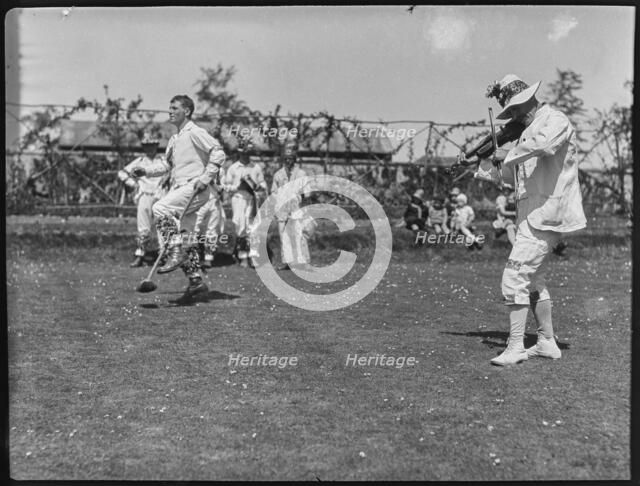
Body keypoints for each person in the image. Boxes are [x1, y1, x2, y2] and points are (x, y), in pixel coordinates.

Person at [471, 74, 586, 365]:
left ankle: (516, 347)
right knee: (533, 279)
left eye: (512, 109)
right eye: (508, 111)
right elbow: (514, 176)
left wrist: (506, 153)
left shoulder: (554, 121)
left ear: (526, 101)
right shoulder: (525, 133)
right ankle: (547, 342)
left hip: (548, 214)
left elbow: (543, 146)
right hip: (529, 215)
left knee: (515, 277)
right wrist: (486, 162)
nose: (511, 115)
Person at [133, 94, 225, 303]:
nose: (170, 111)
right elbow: (167, 166)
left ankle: (174, 249)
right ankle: (196, 282)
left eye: (175, 108)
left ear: (187, 111)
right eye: (169, 107)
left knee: (159, 209)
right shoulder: (175, 139)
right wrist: (145, 171)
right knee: (187, 240)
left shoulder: (195, 132)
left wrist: (206, 177)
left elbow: (218, 152)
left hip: (195, 187)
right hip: (183, 188)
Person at [117, 133, 169, 267]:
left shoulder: (162, 160)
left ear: (156, 146)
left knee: (162, 225)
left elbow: (173, 171)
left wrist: (168, 179)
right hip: (145, 194)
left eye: (152, 146)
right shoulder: (139, 161)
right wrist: (133, 184)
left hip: (160, 195)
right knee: (143, 227)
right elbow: (122, 173)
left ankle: (163, 255)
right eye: (147, 146)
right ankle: (140, 254)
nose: (150, 149)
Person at [222, 136, 267, 268]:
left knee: (253, 228)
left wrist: (260, 187)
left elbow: (262, 182)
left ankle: (253, 256)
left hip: (252, 199)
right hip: (239, 199)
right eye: (243, 152)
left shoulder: (256, 167)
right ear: (239, 152)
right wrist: (237, 187)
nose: (245, 154)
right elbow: (226, 186)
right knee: (240, 227)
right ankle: (242, 256)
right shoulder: (233, 168)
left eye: (248, 152)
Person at [270, 141, 315, 270]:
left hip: (296, 208)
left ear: (294, 160)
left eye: (290, 159)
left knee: (299, 235)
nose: (288, 161)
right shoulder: (278, 174)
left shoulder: (301, 174)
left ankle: (303, 261)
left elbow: (307, 193)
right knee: (283, 235)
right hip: (282, 209)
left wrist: (307, 208)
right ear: (283, 159)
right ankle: (287, 262)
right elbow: (273, 192)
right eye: (286, 159)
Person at [193, 165, 226, 268]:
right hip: (199, 201)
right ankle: (194, 257)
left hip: (213, 201)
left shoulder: (220, 171)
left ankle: (208, 258)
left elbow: (221, 189)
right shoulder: (198, 166)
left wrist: (212, 182)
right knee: (194, 228)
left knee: (212, 230)